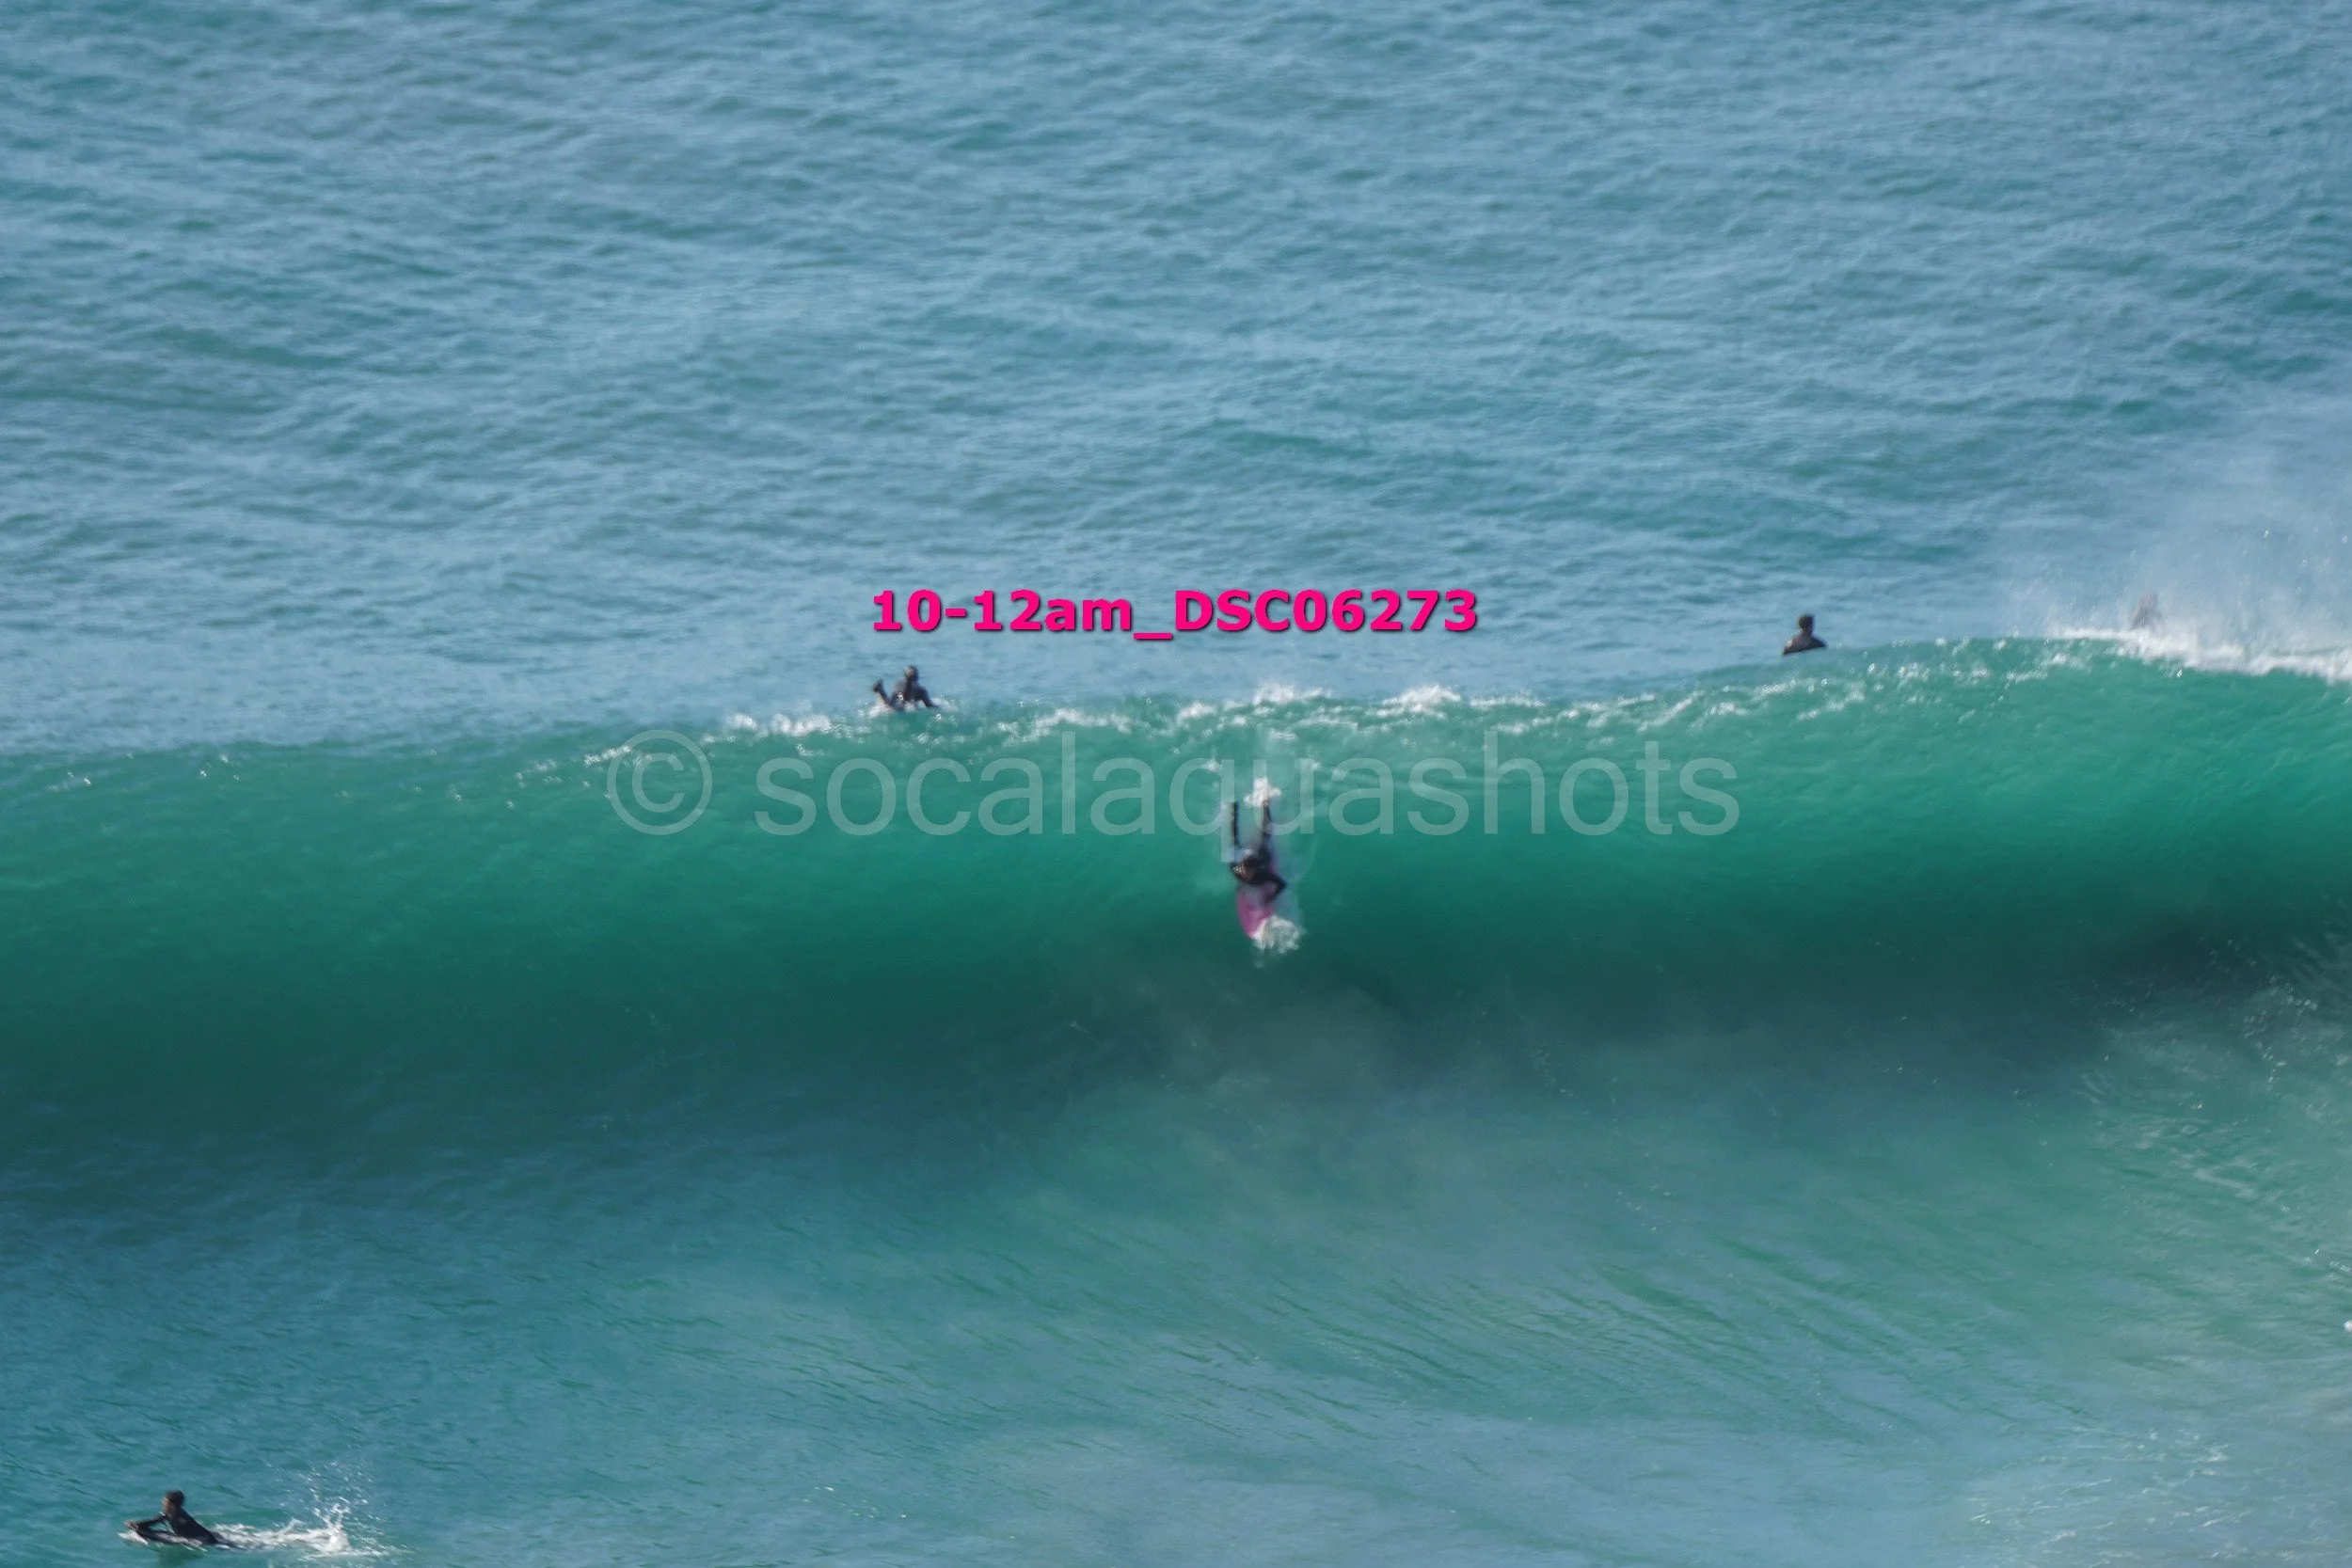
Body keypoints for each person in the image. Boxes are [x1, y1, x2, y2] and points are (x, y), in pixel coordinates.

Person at [1228, 800, 1288, 900]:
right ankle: (1234, 811)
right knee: (1234, 839)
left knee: (1265, 837)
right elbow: (1234, 867)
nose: (1244, 873)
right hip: (1247, 856)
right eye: (1243, 870)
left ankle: (1266, 806)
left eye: (1247, 872)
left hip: (1263, 856)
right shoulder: (1237, 869)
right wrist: (1242, 883)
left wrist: (1270, 897)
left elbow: (1282, 884)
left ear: (1254, 871)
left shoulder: (1263, 875)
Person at [127, 1491, 224, 1547]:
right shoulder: (169, 1513)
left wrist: (212, 1540)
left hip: (200, 1539)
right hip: (184, 1536)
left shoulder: (181, 1518)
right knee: (141, 1530)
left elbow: (198, 1529)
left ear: (171, 1505)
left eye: (165, 1502)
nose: (163, 1503)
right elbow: (155, 1521)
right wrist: (136, 1524)